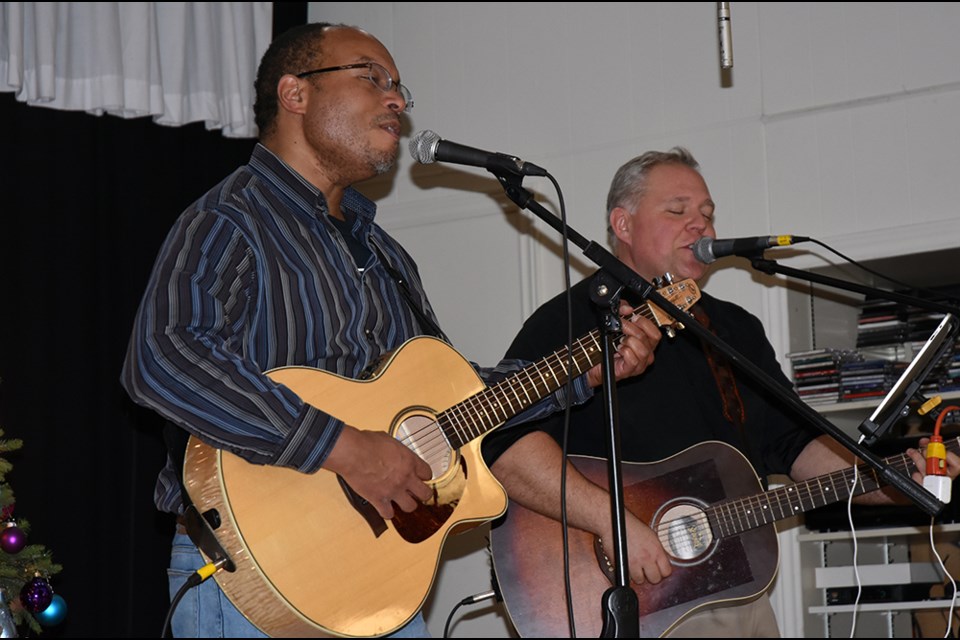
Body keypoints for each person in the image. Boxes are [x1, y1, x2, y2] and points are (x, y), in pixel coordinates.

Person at [120, 22, 662, 639]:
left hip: (381, 584)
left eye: (400, 87)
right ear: (295, 94)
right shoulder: (229, 219)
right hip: (256, 582)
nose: (398, 100)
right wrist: (346, 448)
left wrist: (581, 371)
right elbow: (163, 357)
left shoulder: (385, 255)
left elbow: (453, 403)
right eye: (372, 78)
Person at [482, 146, 960, 637]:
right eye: (678, 210)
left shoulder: (734, 330)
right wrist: (614, 524)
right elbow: (503, 446)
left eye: (708, 214)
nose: (701, 226)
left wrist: (896, 480)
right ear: (622, 225)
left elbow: (795, 447)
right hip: (622, 601)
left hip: (735, 590)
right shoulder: (567, 323)